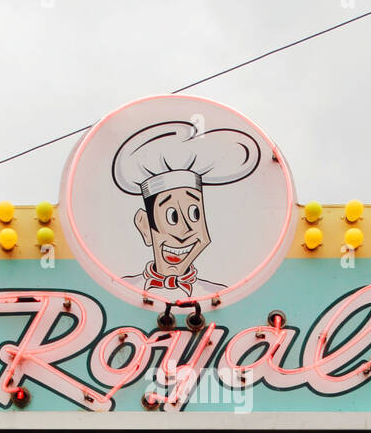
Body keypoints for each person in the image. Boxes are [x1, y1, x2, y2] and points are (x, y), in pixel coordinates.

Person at [111, 120, 260, 302]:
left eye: (194, 214)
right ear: (144, 225)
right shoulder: (122, 290)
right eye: (171, 216)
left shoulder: (219, 295)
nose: (185, 231)